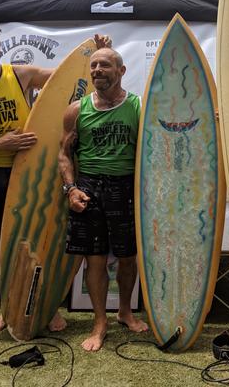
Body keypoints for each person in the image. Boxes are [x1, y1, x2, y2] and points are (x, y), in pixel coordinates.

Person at [0, 18, 109, 335]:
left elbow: (71, 80)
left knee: (45, 235)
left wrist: (97, 53)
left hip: (32, 170)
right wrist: (0, 144)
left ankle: (48, 309)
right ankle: (6, 309)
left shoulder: (19, 74)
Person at [58, 47, 148, 352]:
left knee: (127, 257)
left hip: (126, 186)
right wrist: (70, 189)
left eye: (105, 65)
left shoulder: (138, 107)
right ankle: (100, 322)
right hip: (88, 187)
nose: (97, 69)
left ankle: (125, 311)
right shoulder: (76, 110)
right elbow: (64, 155)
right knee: (93, 259)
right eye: (93, 65)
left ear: (121, 71)